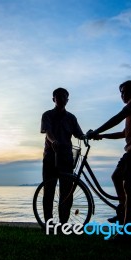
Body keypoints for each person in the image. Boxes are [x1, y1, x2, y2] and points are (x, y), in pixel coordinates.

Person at [87, 80, 131, 233]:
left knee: (129, 187)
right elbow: (124, 133)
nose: (122, 95)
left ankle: (127, 230)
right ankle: (123, 209)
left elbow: (116, 118)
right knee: (116, 177)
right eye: (121, 92)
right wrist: (102, 135)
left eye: (124, 91)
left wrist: (95, 131)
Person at [40, 87, 84, 224]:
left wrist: (88, 135)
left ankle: (64, 222)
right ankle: (49, 222)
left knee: (66, 193)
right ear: (54, 99)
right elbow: (47, 132)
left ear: (67, 100)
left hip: (66, 158)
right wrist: (53, 141)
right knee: (49, 191)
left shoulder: (71, 118)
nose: (61, 99)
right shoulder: (47, 115)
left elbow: (79, 134)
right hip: (50, 158)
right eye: (58, 97)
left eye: (64, 97)